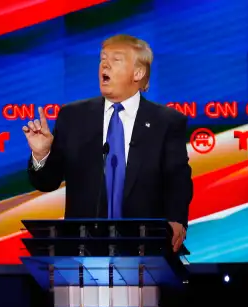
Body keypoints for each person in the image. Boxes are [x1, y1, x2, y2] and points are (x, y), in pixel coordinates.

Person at [23, 34, 193, 252]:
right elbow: (48, 182)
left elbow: (178, 180)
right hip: (82, 254)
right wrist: (42, 155)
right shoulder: (73, 116)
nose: (105, 64)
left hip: (144, 252)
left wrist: (176, 220)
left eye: (116, 59)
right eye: (103, 59)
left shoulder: (166, 122)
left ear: (138, 73)